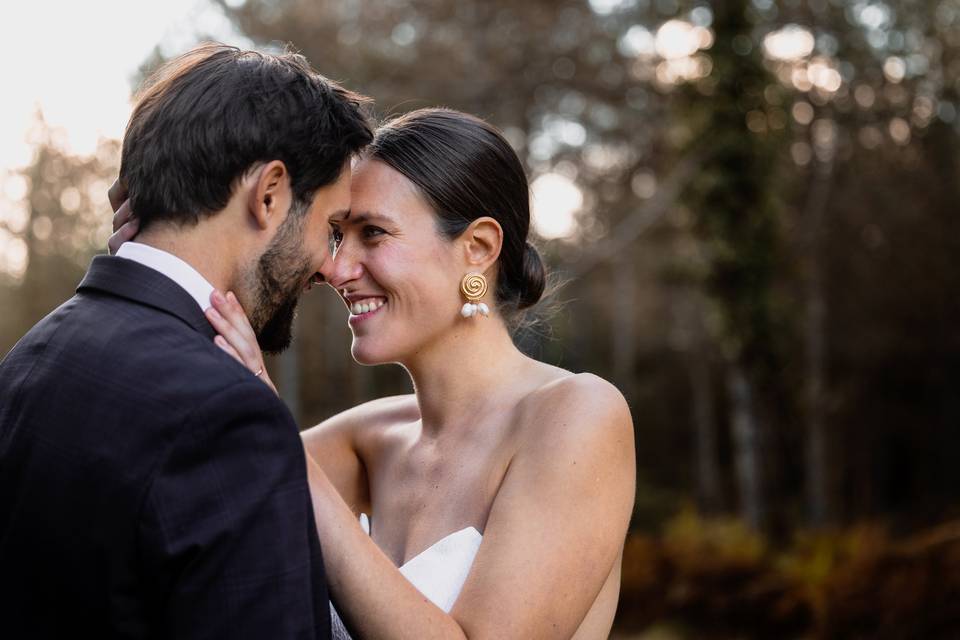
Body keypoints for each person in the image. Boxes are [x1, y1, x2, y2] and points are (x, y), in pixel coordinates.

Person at [205, 108, 636, 639]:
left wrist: (286, 450)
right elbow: (186, 487)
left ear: (476, 249)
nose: (336, 269)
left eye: (374, 234)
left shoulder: (578, 414)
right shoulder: (368, 439)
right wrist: (172, 231)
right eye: (339, 236)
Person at [0, 43, 372, 638]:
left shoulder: (30, 358)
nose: (329, 268)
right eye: (329, 229)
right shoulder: (228, 419)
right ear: (270, 193)